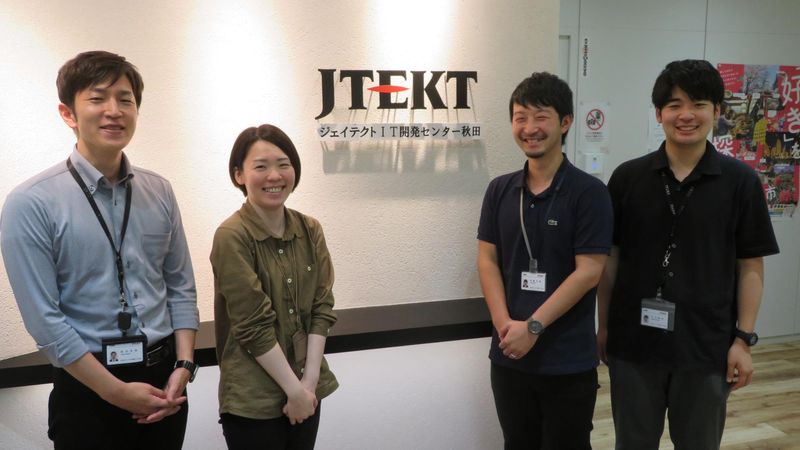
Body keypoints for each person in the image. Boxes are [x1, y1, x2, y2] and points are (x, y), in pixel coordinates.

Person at [0, 51, 199, 449]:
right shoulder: (31, 202)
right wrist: (115, 392)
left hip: (165, 381)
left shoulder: (159, 190)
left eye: (125, 100)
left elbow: (180, 287)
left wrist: (184, 365)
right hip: (88, 390)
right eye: (97, 98)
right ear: (68, 113)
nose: (114, 111)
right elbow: (45, 321)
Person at [597, 59, 779, 450]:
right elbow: (611, 260)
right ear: (658, 113)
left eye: (698, 104)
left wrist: (743, 340)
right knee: (632, 443)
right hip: (633, 343)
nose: (686, 115)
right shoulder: (627, 178)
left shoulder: (741, 182)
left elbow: (751, 265)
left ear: (717, 111)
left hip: (707, 346)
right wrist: (604, 325)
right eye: (674, 105)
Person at [477, 72, 613, 449]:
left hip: (567, 359)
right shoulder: (499, 190)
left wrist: (533, 327)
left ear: (565, 122)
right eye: (520, 117)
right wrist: (505, 326)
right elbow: (487, 260)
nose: (529, 128)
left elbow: (589, 272)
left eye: (541, 117)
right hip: (509, 355)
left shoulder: (590, 193)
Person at [211, 124, 338, 450]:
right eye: (261, 166)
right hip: (253, 399)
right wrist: (295, 391)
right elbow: (252, 324)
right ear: (239, 175)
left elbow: (322, 306)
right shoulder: (232, 235)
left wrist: (308, 384)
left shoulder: (310, 229)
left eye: (283, 164)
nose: (274, 176)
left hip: (307, 388)